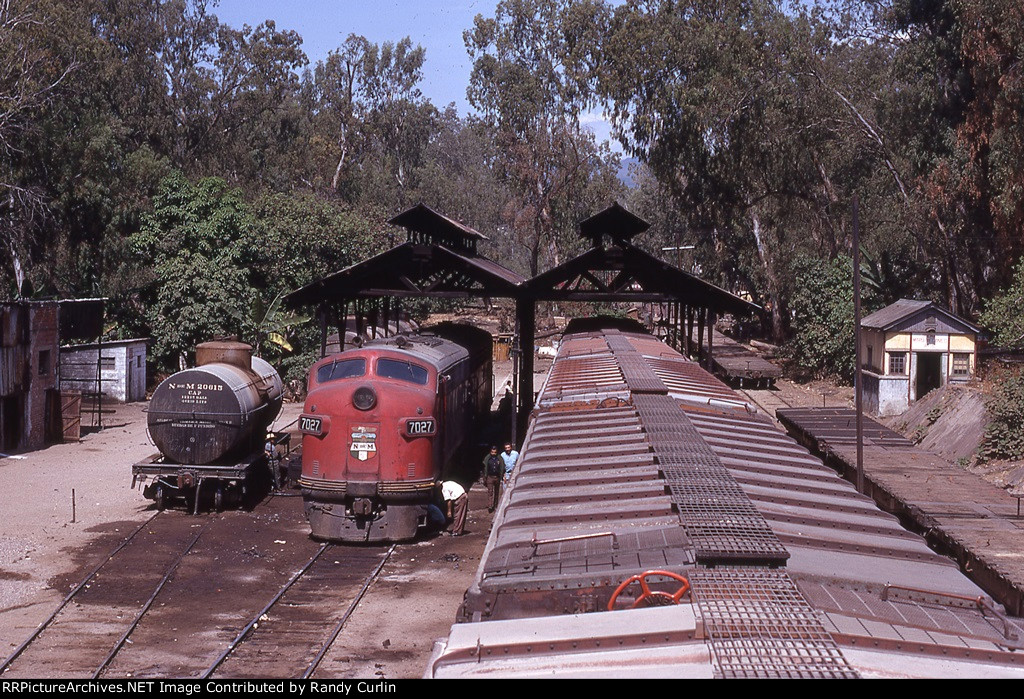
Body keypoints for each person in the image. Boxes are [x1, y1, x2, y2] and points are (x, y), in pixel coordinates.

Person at [482, 446, 503, 513]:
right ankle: (490, 506)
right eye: (492, 452)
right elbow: (484, 467)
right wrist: (485, 477)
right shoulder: (488, 459)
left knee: (497, 492)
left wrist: (501, 475)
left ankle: (496, 505)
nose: (493, 453)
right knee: (490, 492)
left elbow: (502, 467)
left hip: (497, 477)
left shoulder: (499, 458)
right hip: (490, 477)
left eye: (495, 452)